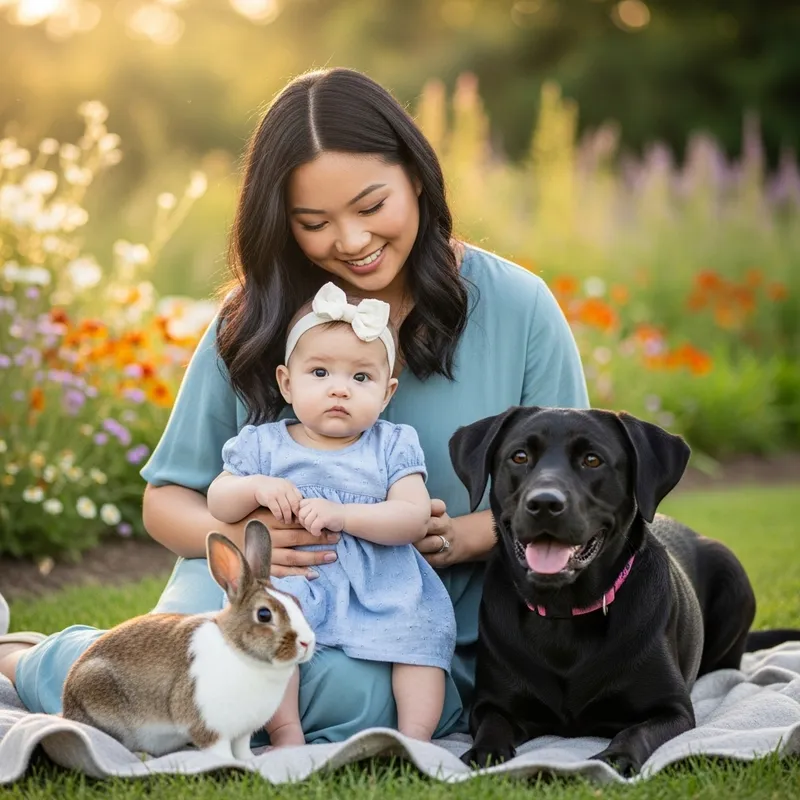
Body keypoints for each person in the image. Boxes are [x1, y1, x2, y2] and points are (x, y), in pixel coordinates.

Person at [0, 66, 589, 745]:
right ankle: (40, 661)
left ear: (419, 179)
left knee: (359, 700)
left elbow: (575, 489)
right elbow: (166, 499)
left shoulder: (518, 307)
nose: (351, 241)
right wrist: (252, 533)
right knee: (212, 672)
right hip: (259, 593)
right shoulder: (255, 318)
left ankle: (58, 661)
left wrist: (461, 537)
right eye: (315, 223)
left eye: (372, 207)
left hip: (407, 608)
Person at [207, 282, 456, 745]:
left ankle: (416, 738)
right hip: (297, 577)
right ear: (287, 382)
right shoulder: (263, 444)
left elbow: (412, 518)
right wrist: (255, 487)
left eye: (361, 378)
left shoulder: (392, 444)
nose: (340, 389)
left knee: (422, 630)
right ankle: (286, 733)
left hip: (382, 581)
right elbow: (218, 500)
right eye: (319, 372)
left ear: (387, 392)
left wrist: (345, 515)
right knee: (272, 623)